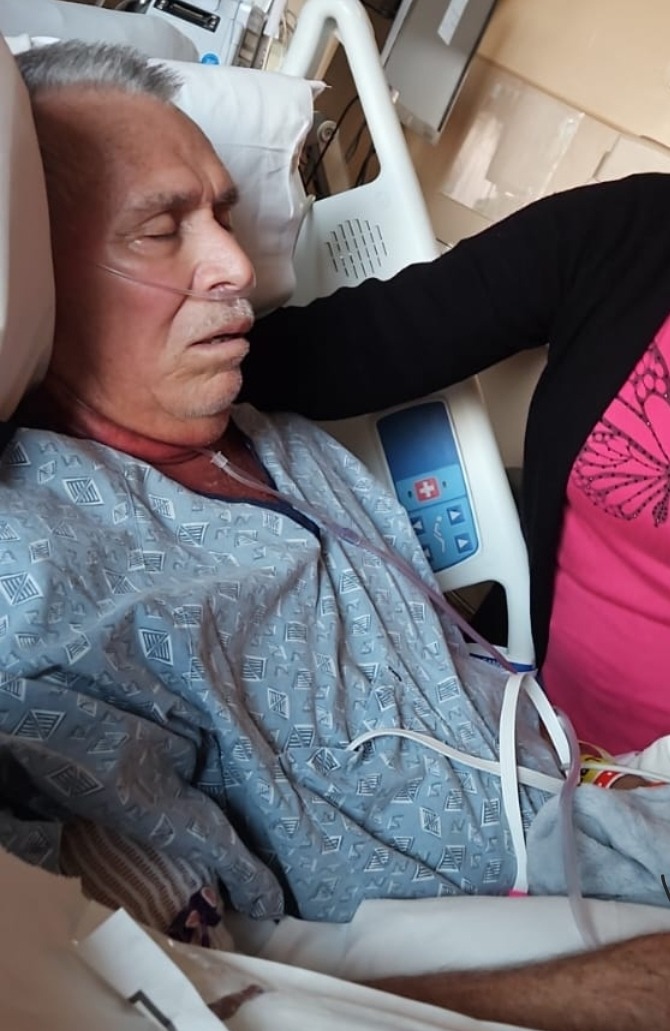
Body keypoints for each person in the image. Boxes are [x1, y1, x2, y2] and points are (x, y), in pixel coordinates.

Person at [3, 39, 669, 1031]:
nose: (238, 265)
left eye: (227, 216)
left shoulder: (270, 439)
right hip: (482, 954)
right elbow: (196, 981)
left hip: (601, 793)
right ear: (30, 280)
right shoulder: (47, 588)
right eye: (161, 228)